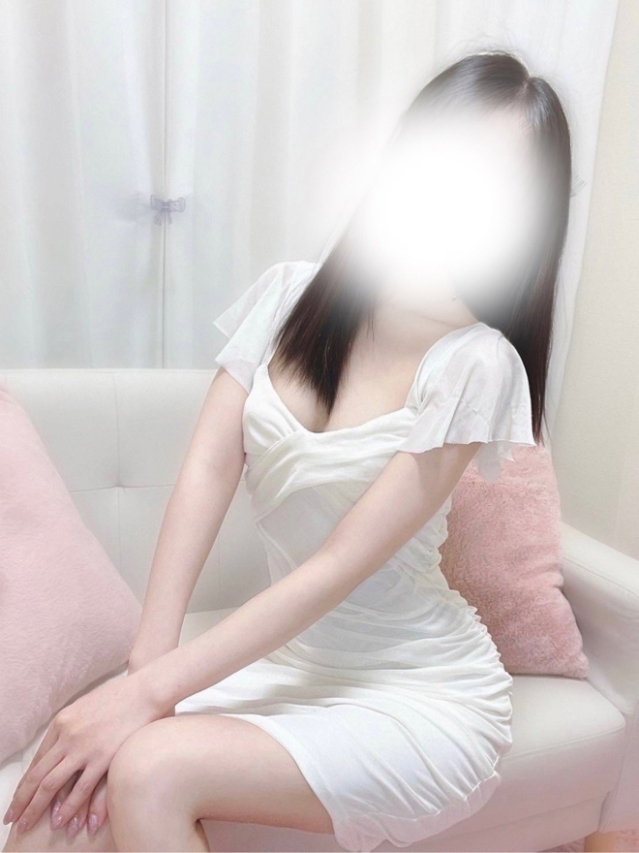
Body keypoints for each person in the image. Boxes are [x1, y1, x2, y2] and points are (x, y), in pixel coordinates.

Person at [3, 49, 572, 853]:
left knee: (148, 770)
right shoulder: (286, 297)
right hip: (290, 662)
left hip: (414, 691)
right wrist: (146, 665)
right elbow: (206, 471)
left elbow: (336, 566)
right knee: (56, 815)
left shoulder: (478, 363)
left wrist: (152, 696)